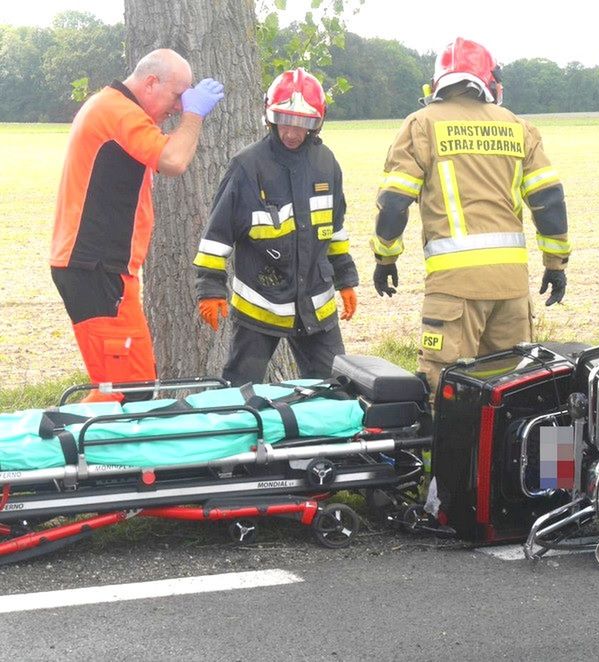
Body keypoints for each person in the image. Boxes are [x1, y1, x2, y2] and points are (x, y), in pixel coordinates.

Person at [371, 37, 571, 395]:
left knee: (446, 394)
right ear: (489, 83)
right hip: (511, 289)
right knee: (514, 392)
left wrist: (385, 257)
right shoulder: (517, 127)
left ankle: (447, 454)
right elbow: (550, 201)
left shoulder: (422, 124)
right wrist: (556, 265)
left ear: (436, 85)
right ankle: (520, 454)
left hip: (454, 291)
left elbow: (394, 203)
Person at [50, 48, 224, 402]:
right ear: (150, 83)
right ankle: (57, 449)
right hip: (97, 268)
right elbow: (174, 160)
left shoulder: (112, 107)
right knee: (129, 392)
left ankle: (76, 450)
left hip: (100, 268)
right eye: (177, 96)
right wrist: (194, 116)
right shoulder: (118, 111)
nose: (178, 107)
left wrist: (186, 107)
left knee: (126, 389)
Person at [194, 68, 358, 386]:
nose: (292, 133)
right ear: (270, 116)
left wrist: (346, 279)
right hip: (260, 305)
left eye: (303, 124)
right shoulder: (247, 167)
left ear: (317, 123)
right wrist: (210, 288)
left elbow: (335, 230)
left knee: (336, 391)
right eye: (285, 121)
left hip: (315, 305)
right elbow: (217, 236)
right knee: (240, 396)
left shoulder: (327, 164)